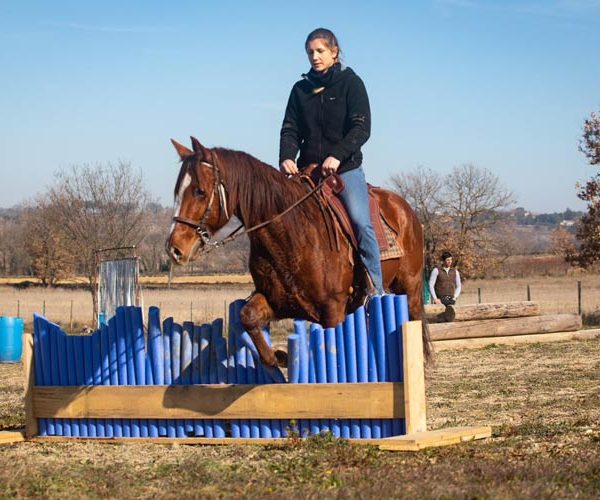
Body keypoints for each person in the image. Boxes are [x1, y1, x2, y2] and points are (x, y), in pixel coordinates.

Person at [279, 28, 383, 295]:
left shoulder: (351, 83)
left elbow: (361, 128)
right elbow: (290, 128)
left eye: (320, 51)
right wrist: (287, 157)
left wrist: (337, 156)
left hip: (345, 169)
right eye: (310, 52)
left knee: (361, 221)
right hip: (308, 170)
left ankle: (376, 290)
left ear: (334, 52)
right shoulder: (300, 89)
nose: (315, 56)